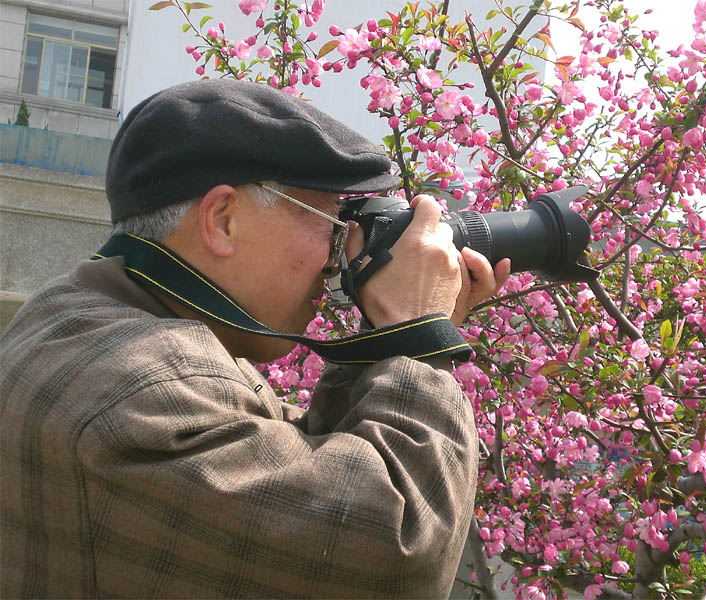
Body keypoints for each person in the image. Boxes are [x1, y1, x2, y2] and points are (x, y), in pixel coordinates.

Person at [0, 79, 511, 598]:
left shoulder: (70, 316)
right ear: (222, 221)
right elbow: (398, 550)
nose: (335, 264)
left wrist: (388, 332)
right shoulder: (145, 387)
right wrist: (416, 331)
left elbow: (298, 465)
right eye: (334, 230)